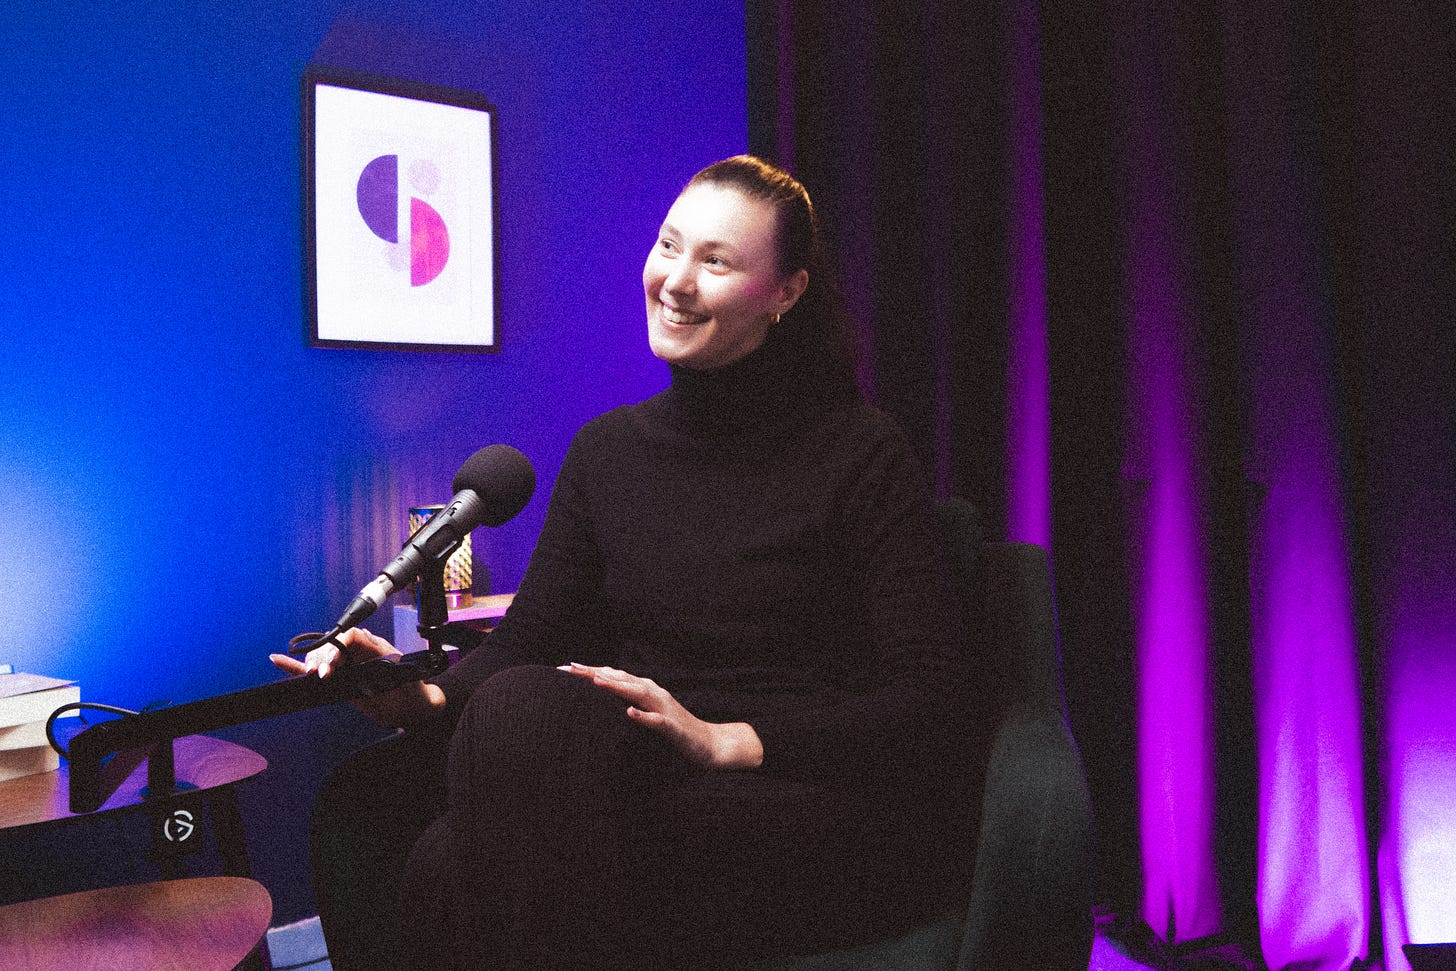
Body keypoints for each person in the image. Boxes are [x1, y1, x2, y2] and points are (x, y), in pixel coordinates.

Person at [272, 155, 981, 970]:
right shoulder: (607, 452)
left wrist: (728, 739)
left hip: (793, 788)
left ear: (785, 293)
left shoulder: (861, 452)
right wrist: (423, 696)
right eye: (669, 245)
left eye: (716, 261)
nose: (675, 280)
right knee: (364, 803)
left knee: (453, 850)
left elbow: (930, 696)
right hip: (640, 769)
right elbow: (528, 640)